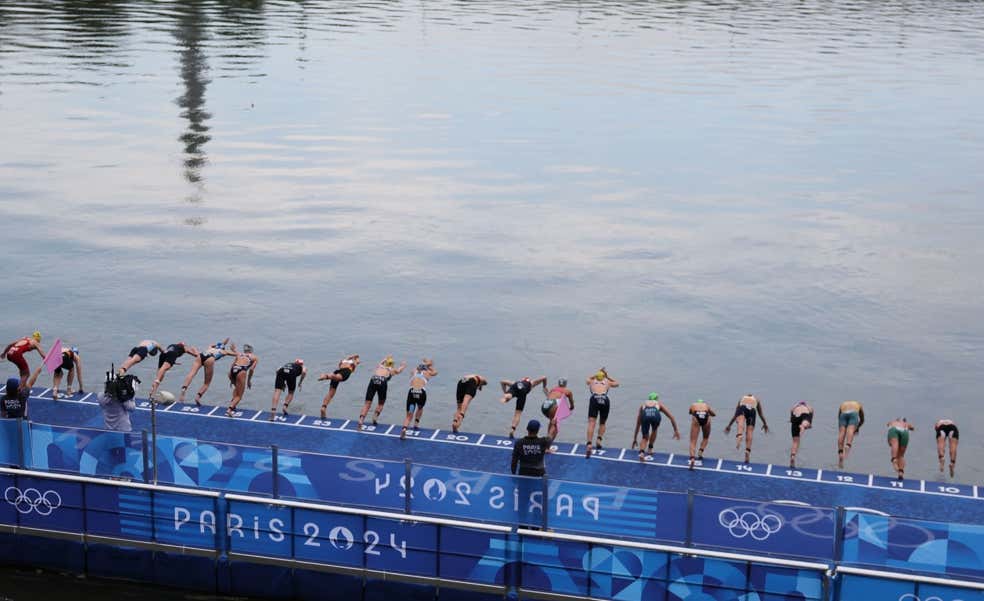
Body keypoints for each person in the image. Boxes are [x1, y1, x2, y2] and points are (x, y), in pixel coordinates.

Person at [178, 339, 237, 405]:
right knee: (207, 383)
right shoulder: (224, 351)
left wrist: (223, 342)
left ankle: (183, 390)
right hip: (210, 359)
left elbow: (215, 344)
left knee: (191, 374)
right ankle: (198, 397)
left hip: (202, 355)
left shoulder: (210, 347)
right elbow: (237, 355)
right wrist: (233, 349)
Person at [358, 356, 406, 429]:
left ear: (384, 363)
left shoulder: (379, 366)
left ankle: (361, 420)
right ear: (392, 364)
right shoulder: (391, 369)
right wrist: (403, 366)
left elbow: (380, 362)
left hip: (373, 379)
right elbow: (398, 371)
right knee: (381, 403)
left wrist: (385, 359)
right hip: (382, 381)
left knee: (367, 403)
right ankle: (375, 417)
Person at [631, 393, 680, 460]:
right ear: (656, 399)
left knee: (645, 437)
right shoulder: (658, 404)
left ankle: (642, 453)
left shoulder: (643, 405)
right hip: (655, 416)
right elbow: (671, 417)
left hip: (645, 415)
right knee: (654, 430)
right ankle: (650, 449)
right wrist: (676, 430)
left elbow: (638, 424)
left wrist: (635, 439)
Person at [724, 394, 769, 464]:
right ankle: (747, 451)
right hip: (752, 410)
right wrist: (765, 424)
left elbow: (735, 414)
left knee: (740, 423)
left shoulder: (742, 399)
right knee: (750, 431)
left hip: (743, 408)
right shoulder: (757, 400)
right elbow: (761, 415)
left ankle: (739, 435)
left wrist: (729, 425)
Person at [584, 368, 619, 457]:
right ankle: (599, 440)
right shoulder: (607, 382)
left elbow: (587, 379)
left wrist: (595, 375)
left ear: (596, 376)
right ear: (603, 377)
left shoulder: (592, 381)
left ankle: (589, 444)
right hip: (604, 399)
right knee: (602, 422)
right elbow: (617, 383)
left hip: (594, 398)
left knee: (592, 422)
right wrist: (607, 376)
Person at [400, 359, 438, 440]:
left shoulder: (413, 371)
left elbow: (419, 367)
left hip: (412, 392)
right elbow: (435, 372)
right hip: (421, 392)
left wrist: (426, 364)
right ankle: (416, 423)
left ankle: (404, 428)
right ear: (425, 368)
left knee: (409, 415)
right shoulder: (427, 373)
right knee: (420, 408)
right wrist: (430, 366)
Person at [318, 354, 360, 419]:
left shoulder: (344, 360)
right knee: (337, 377)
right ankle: (327, 376)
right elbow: (357, 359)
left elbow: (341, 364)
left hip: (337, 371)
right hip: (346, 371)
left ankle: (323, 407)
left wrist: (352, 357)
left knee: (331, 393)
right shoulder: (353, 363)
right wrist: (355, 359)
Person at [225, 344, 258, 416]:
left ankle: (233, 405)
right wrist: (249, 381)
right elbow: (251, 369)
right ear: (251, 351)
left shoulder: (239, 354)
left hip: (233, 370)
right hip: (241, 371)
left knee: (237, 388)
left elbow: (232, 365)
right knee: (239, 396)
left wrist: (231, 378)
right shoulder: (255, 357)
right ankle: (229, 410)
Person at [687, 399, 716, 469]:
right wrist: (709, 413)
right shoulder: (706, 405)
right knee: (706, 437)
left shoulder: (693, 405)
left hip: (696, 416)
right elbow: (714, 414)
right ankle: (701, 451)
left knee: (693, 441)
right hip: (706, 416)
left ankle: (692, 458)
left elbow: (690, 412)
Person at [837, 400, 865, 468]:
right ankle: (848, 445)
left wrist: (842, 425)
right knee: (851, 430)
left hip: (843, 414)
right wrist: (857, 427)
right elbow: (862, 419)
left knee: (842, 433)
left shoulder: (843, 404)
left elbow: (839, 416)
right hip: (854, 414)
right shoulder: (858, 404)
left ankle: (840, 451)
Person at [789, 401, 814, 468]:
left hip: (794, 418)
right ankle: (802, 426)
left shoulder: (795, 407)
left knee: (795, 442)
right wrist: (810, 423)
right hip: (804, 417)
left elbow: (791, 411)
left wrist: (791, 419)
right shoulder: (807, 407)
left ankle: (793, 456)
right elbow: (811, 412)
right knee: (805, 422)